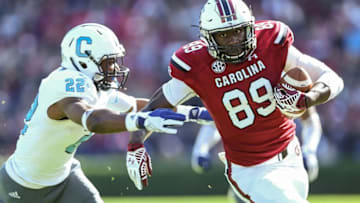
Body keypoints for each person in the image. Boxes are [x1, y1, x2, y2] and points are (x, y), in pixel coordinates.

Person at [127, 0, 344, 202]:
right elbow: (154, 107)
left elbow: (331, 78)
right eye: (224, 35)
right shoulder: (197, 65)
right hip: (252, 170)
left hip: (292, 156)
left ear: (249, 27)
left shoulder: (271, 44)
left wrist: (309, 99)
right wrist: (135, 143)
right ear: (208, 37)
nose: (233, 40)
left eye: (238, 31)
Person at [0, 23, 187, 203]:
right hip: (24, 184)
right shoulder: (66, 83)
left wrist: (195, 113)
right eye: (109, 62)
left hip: (64, 178)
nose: (114, 69)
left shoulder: (94, 89)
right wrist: (141, 122)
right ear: (84, 62)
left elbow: (138, 106)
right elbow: (93, 120)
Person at [191, 107, 322, 203]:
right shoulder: (231, 83)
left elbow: (310, 119)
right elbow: (214, 121)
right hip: (248, 166)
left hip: (285, 159)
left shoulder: (283, 77)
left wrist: (309, 150)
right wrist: (200, 149)